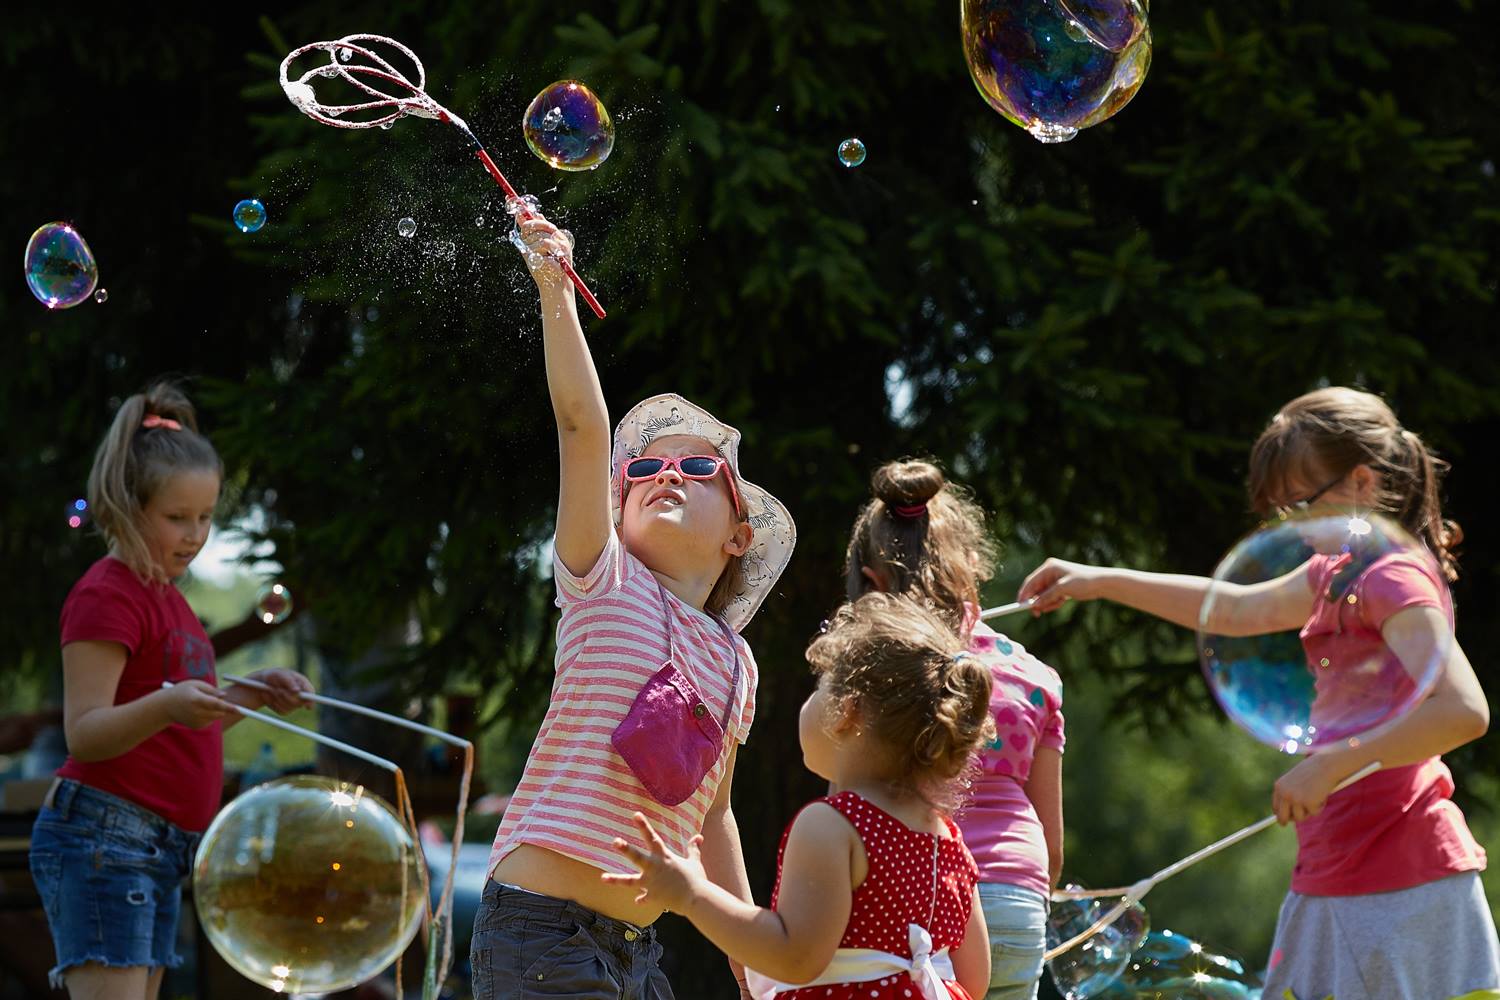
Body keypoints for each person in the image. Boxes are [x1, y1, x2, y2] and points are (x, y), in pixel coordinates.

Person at [1018, 386, 1499, 998]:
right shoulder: (1337, 571)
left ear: (1359, 483)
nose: (1291, 525)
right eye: (1280, 509)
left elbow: (1464, 709)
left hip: (1403, 880)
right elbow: (1236, 610)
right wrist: (1100, 580)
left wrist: (1328, 767)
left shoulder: (1393, 578)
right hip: (1336, 867)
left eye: (1301, 502)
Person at [471, 215, 797, 999]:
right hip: (539, 929)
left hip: (638, 951)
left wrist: (747, 952)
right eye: (644, 467)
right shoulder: (602, 581)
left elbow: (714, 818)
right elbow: (583, 429)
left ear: (738, 536)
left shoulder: (736, 665)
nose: (665, 473)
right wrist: (557, 287)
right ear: (614, 516)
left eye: (695, 465)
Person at [29, 380, 312, 1000]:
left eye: (207, 517)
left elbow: (187, 719)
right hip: (105, 838)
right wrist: (166, 703)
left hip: (159, 848)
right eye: (176, 518)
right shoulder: (108, 593)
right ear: (130, 509)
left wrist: (255, 693)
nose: (195, 535)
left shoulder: (171, 603)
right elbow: (87, 732)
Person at [605, 592, 994, 1000]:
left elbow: (793, 956)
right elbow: (976, 979)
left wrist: (693, 894)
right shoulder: (949, 841)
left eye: (820, 686)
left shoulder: (834, 826)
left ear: (847, 712)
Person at [844, 459, 1063, 999]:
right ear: (972, 565)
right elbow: (1053, 844)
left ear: (873, 582)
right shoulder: (1035, 677)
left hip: (925, 896)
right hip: (1018, 899)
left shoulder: (880, 670)